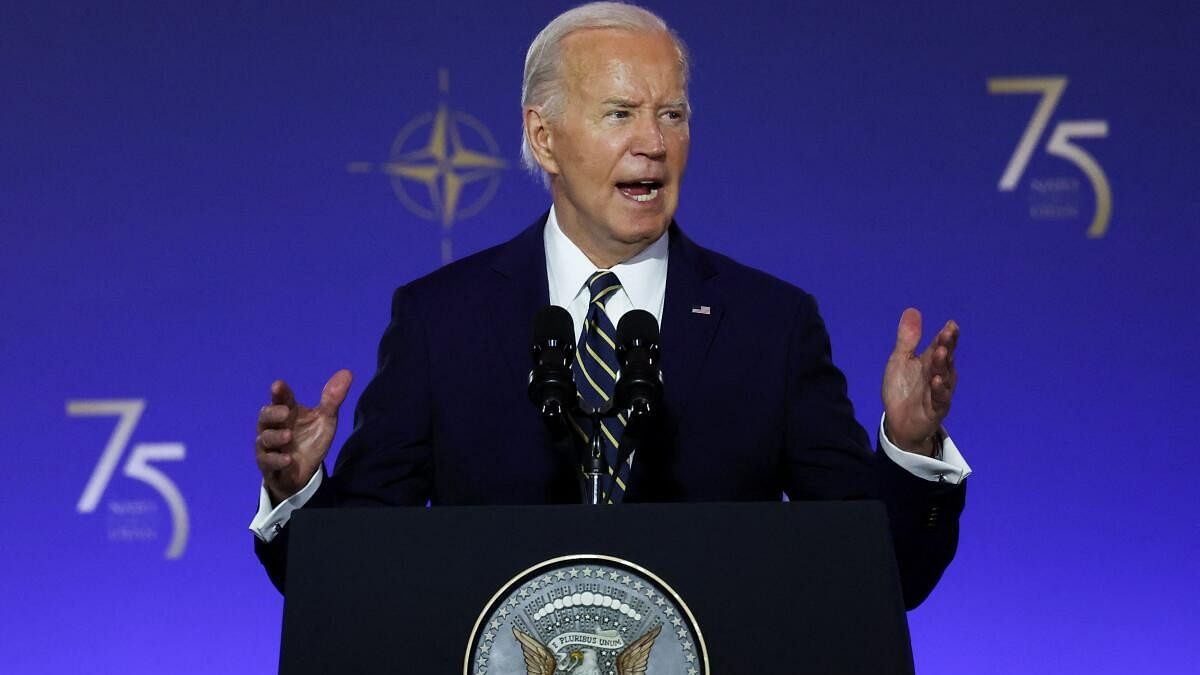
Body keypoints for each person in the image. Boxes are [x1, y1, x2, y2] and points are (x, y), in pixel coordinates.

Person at [250, 2, 970, 608]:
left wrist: (908, 452)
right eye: (620, 112)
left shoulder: (771, 326)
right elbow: (356, 579)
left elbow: (881, 576)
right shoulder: (442, 322)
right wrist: (300, 491)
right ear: (544, 137)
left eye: (673, 114)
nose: (653, 144)